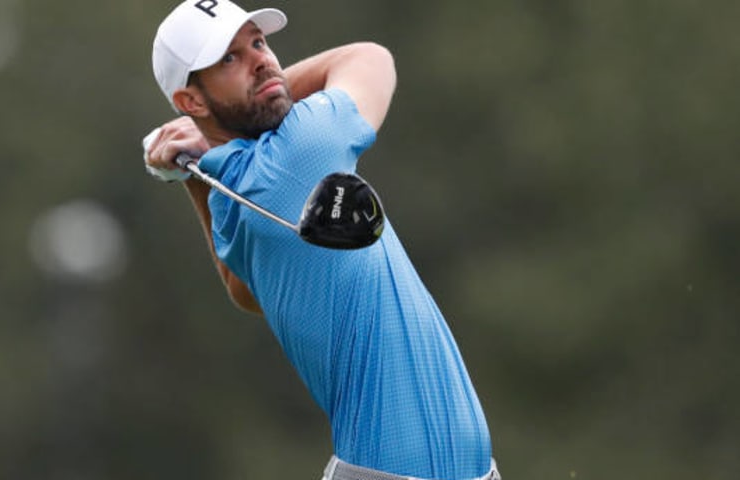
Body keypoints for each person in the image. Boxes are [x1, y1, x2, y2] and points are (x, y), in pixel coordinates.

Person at [143, 1, 500, 479]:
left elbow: (246, 289)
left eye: (258, 43)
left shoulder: (234, 180)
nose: (262, 61)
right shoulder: (302, 145)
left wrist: (195, 171)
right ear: (191, 102)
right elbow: (370, 58)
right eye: (230, 59)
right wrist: (257, 102)